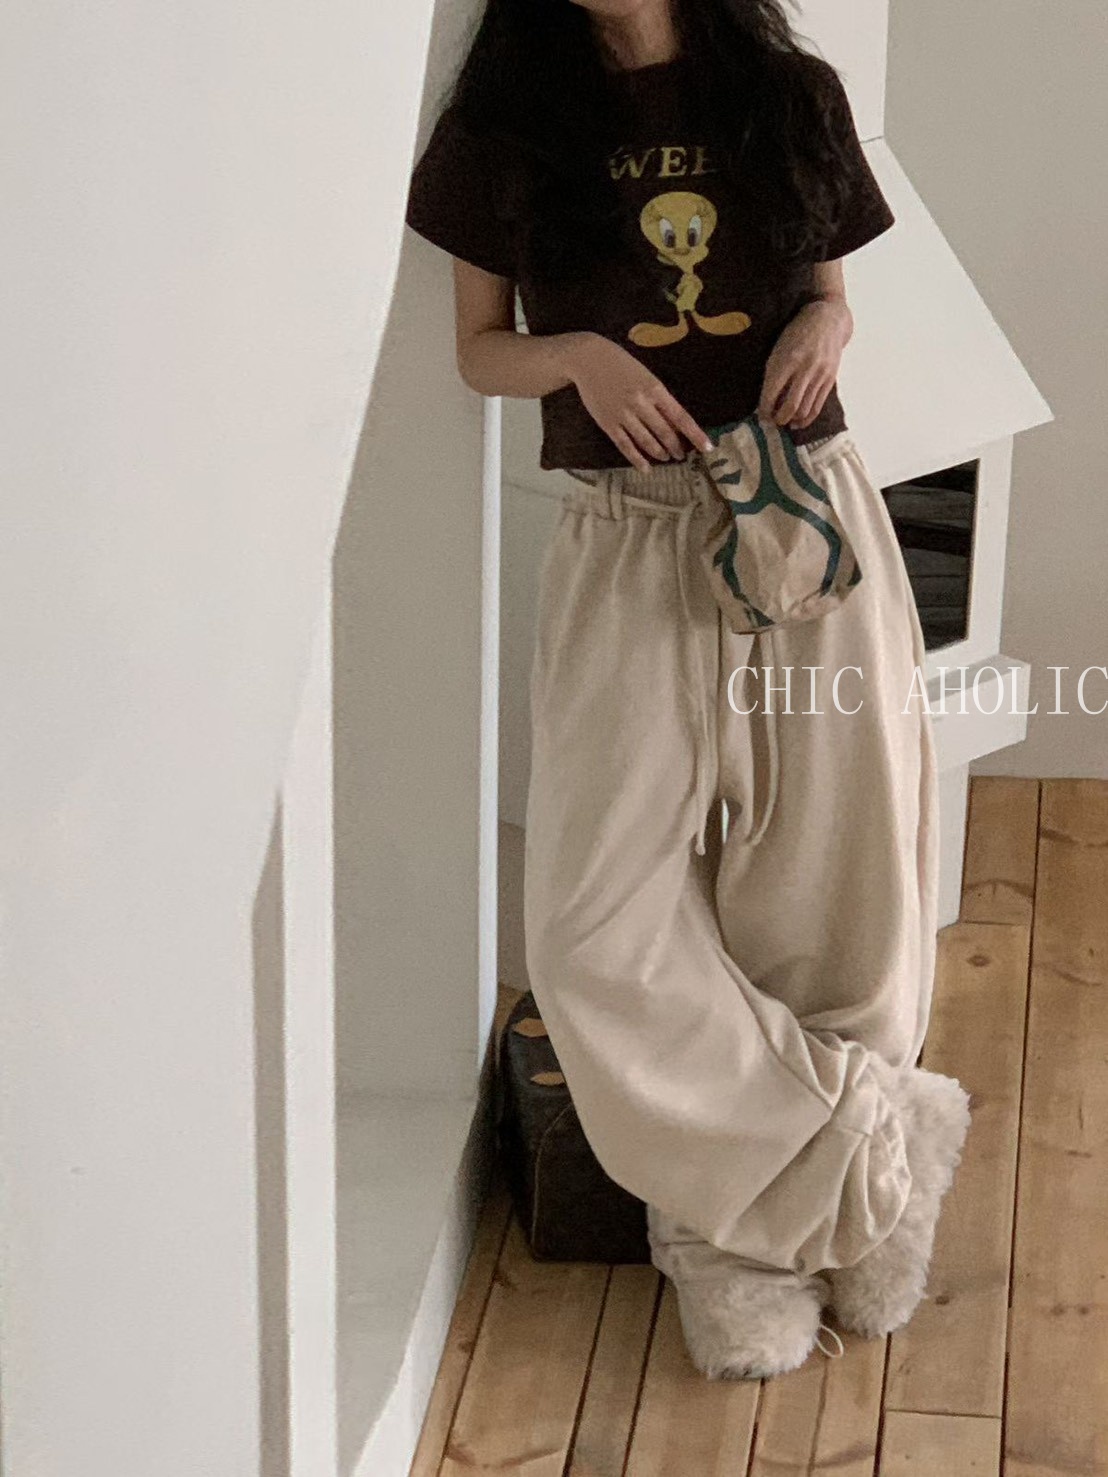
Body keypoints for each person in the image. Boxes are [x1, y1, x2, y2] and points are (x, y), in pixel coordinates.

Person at [405, 0, 971, 1380]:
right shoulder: (501, 127)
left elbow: (832, 292)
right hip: (627, 528)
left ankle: (739, 1245)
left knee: (834, 885)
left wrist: (826, 328)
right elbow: (477, 347)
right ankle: (863, 1156)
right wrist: (577, 357)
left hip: (802, 508)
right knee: (591, 927)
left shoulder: (790, 91)